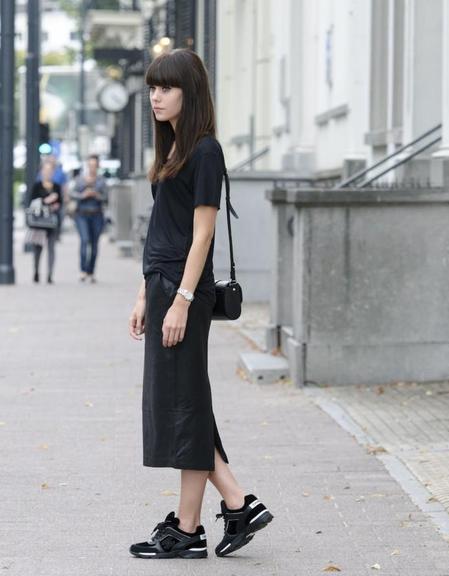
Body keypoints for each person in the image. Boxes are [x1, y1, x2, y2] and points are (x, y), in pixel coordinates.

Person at [128, 48, 273, 561]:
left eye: (165, 88)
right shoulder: (171, 151)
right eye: (151, 88)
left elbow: (202, 233)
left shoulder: (205, 151)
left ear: (190, 92)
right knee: (186, 404)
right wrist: (146, 292)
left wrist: (182, 301)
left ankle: (201, 521)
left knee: (184, 406)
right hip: (165, 285)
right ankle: (228, 507)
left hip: (184, 290)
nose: (155, 97)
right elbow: (161, 230)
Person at [70, 155, 107, 283]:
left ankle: (91, 271)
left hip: (96, 215)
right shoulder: (80, 180)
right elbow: (72, 194)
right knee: (85, 240)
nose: (92, 168)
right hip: (82, 215)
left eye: (94, 165)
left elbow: (106, 197)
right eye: (90, 165)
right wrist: (83, 195)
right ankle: (83, 270)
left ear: (97, 166)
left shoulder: (101, 180)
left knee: (95, 244)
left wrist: (96, 195)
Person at [28, 159, 62, 284]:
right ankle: (36, 271)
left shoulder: (56, 186)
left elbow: (61, 202)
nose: (47, 173)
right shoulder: (37, 186)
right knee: (38, 248)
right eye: (45, 170)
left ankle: (50, 274)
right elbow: (31, 202)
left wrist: (56, 205)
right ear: (41, 172)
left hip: (52, 221)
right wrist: (46, 201)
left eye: (50, 171)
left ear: (53, 172)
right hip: (39, 222)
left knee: (51, 248)